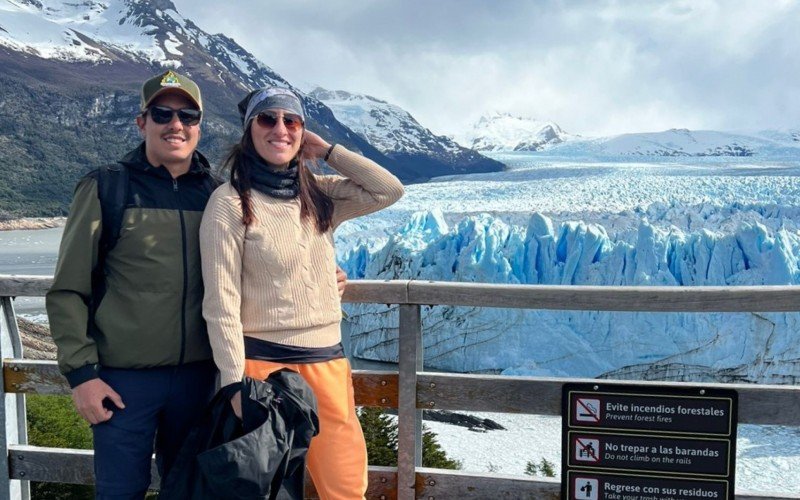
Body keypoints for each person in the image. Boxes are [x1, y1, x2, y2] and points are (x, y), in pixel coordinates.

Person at [45, 71, 348, 499]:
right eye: (163, 114)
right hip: (125, 380)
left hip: (200, 381)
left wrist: (321, 277)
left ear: (199, 125)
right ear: (142, 121)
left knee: (193, 490)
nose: (176, 124)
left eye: (188, 115)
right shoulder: (108, 187)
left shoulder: (218, 193)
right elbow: (67, 290)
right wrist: (81, 376)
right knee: (119, 491)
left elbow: (257, 263)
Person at [199, 87, 404, 499]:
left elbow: (388, 190)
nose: (280, 128)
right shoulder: (229, 203)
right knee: (265, 490)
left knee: (345, 488)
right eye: (267, 119)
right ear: (248, 130)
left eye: (291, 121)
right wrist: (232, 386)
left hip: (326, 361)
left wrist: (326, 150)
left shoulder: (319, 194)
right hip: (261, 369)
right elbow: (221, 305)